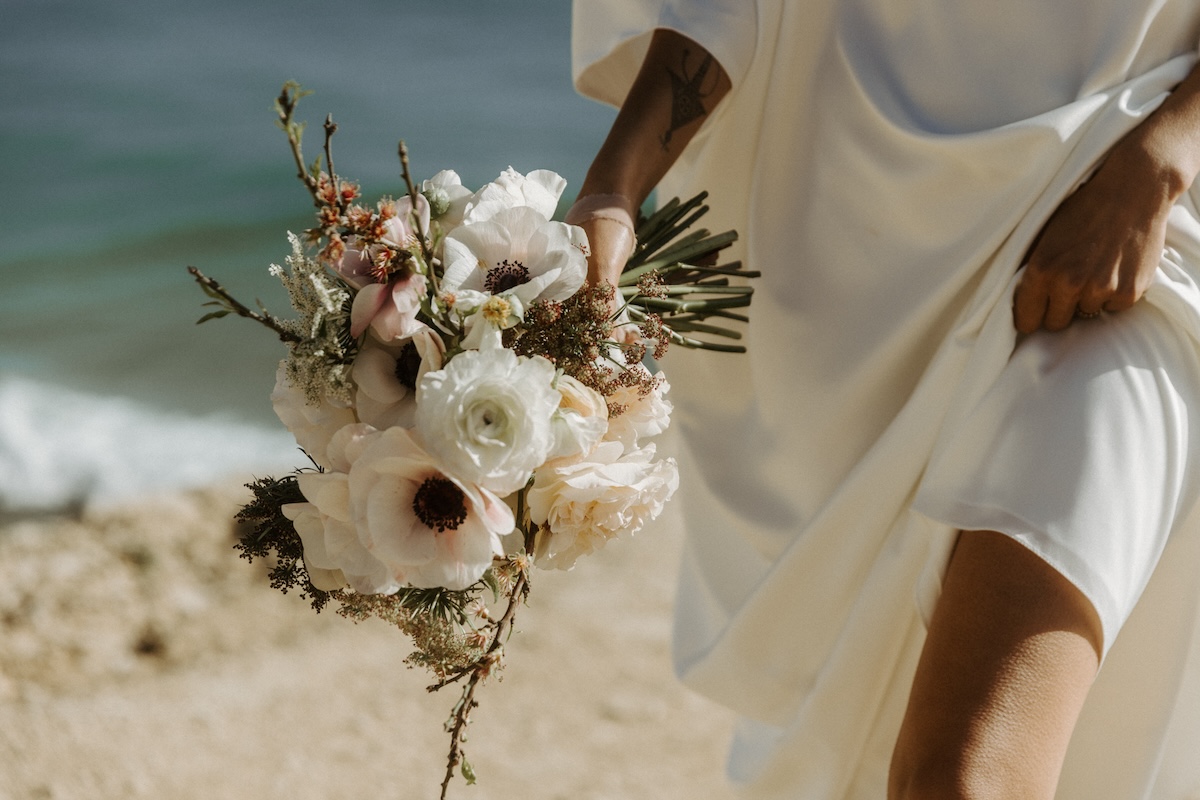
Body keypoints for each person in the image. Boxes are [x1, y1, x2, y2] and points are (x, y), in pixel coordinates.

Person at [568, 2, 1200, 798]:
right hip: (849, 250)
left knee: (964, 776)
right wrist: (614, 189)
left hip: (1119, 225)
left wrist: (1168, 153)